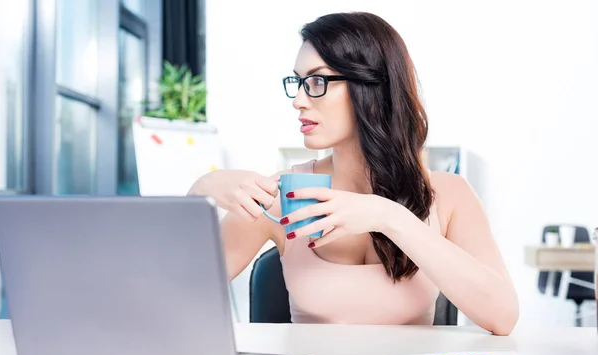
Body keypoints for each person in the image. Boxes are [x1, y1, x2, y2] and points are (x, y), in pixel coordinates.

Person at [188, 12, 519, 335]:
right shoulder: (282, 194)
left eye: (317, 81)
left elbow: (502, 318)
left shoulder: (449, 194)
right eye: (298, 82)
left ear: (371, 87)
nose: (299, 101)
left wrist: (388, 216)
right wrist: (197, 197)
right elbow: (178, 298)